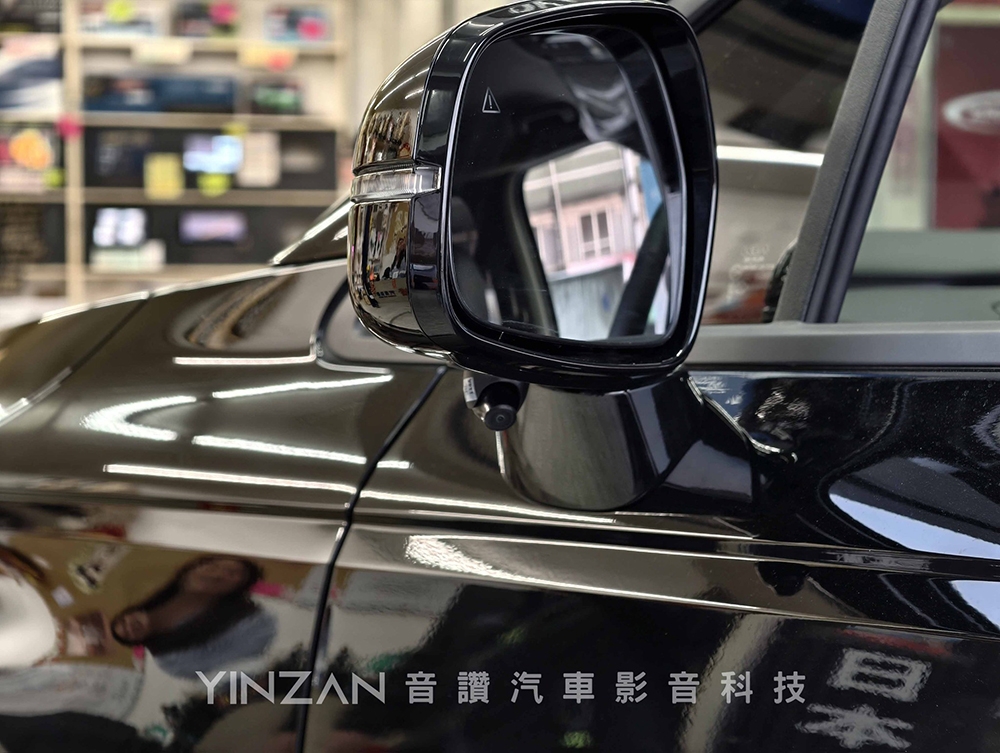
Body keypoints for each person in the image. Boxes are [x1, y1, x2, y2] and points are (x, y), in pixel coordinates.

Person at [111, 556, 276, 679]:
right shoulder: (171, 661)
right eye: (213, 566)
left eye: (231, 574)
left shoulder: (253, 622)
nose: (217, 574)